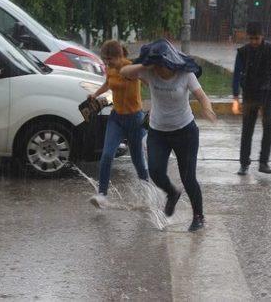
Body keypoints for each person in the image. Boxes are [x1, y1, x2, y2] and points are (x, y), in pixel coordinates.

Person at [121, 39, 217, 232]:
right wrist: (147, 62)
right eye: (153, 65)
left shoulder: (185, 74)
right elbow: (124, 72)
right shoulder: (149, 72)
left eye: (159, 65)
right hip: (158, 132)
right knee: (155, 171)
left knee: (188, 177)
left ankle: (198, 216)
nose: (156, 69)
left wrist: (207, 109)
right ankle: (172, 193)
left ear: (168, 63)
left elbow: (202, 96)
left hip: (185, 131)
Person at [88, 40, 149, 208]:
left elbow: (147, 80)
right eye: (105, 60)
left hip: (135, 119)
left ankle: (149, 193)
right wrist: (95, 95)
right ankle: (102, 195)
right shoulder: (110, 69)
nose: (107, 63)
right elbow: (108, 83)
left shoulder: (131, 68)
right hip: (116, 118)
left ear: (120, 56)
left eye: (110, 60)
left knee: (138, 161)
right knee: (107, 155)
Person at [232, 22, 271, 176]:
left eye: (257, 39)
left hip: (267, 92)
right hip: (249, 93)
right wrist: (235, 96)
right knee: (247, 129)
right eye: (251, 39)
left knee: (269, 125)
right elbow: (236, 74)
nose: (254, 42)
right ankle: (244, 164)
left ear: (262, 36)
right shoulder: (243, 52)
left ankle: (263, 162)